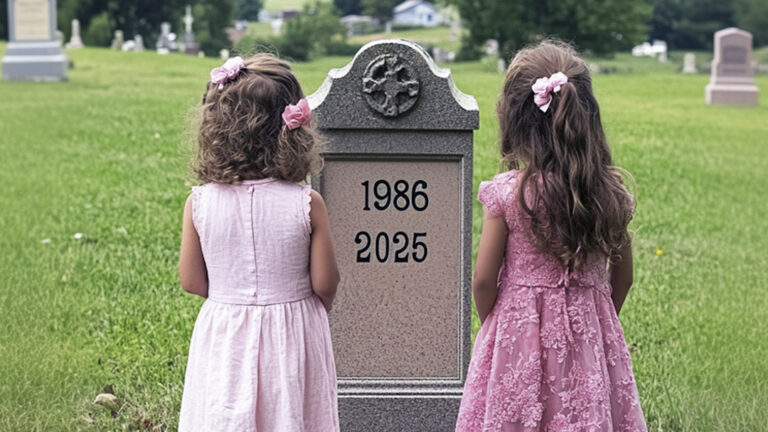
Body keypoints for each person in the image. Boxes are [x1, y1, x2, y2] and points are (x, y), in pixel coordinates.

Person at [456, 41, 647, 431]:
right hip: (589, 336)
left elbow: (483, 280)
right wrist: (596, 318)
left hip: (516, 336)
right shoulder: (610, 193)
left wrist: (495, 323)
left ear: (514, 119)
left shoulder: (510, 194)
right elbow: (623, 278)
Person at [177, 54, 340, 431]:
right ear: (292, 130)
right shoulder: (307, 203)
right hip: (293, 331)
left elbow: (191, 281)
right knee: (292, 412)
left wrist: (234, 297)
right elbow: (325, 282)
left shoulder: (199, 203)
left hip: (225, 332)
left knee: (222, 413)